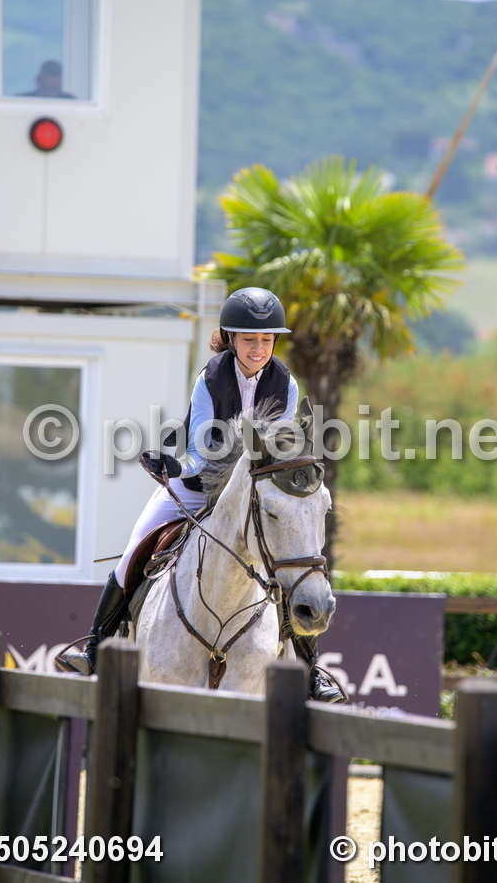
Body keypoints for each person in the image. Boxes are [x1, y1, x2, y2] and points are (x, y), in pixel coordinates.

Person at [58, 287, 343, 702]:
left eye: (266, 340)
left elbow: (280, 447)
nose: (258, 349)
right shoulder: (210, 378)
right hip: (197, 486)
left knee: (287, 567)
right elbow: (199, 448)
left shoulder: (287, 384)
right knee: (133, 551)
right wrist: (176, 469)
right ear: (231, 338)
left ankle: (311, 672)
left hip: (252, 492)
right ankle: (95, 648)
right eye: (249, 340)